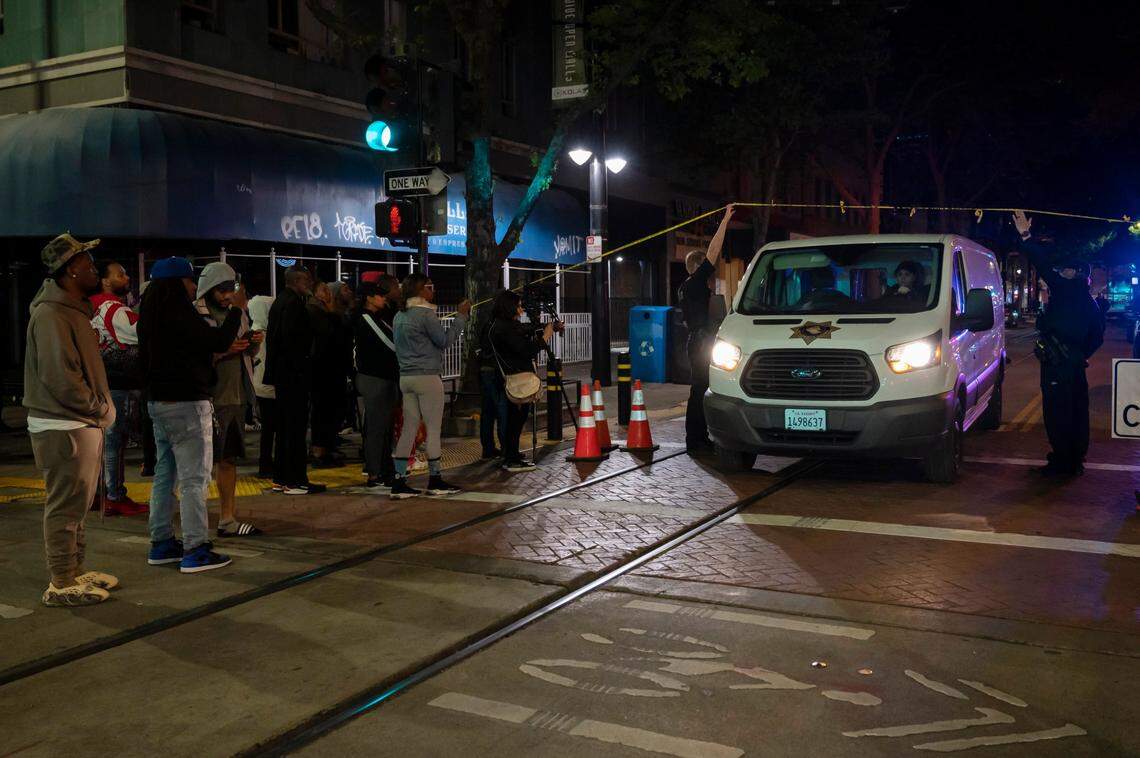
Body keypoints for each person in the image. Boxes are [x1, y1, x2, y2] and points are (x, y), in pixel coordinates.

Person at [24, 234, 119, 606]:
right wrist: (99, 408)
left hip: (78, 423)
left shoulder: (70, 310)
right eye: (86, 262)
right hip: (64, 425)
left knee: (78, 506)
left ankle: (75, 570)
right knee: (65, 506)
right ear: (68, 270)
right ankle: (61, 581)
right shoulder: (51, 314)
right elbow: (61, 378)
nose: (93, 268)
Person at [139, 256, 242, 573]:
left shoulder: (149, 316)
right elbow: (218, 341)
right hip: (186, 404)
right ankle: (196, 548)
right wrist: (237, 310)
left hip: (158, 404)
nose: (194, 286)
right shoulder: (180, 314)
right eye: (189, 281)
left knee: (164, 475)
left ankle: (162, 543)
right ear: (178, 283)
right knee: (195, 479)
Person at [1012, 210, 1104, 476]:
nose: (1060, 272)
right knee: (1077, 409)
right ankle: (1074, 459)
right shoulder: (1090, 302)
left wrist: (1026, 236)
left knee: (1057, 411)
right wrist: (1078, 353)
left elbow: (1041, 262)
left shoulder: (1065, 290)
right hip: (1074, 362)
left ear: (1074, 273)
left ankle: (1062, 462)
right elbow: (1097, 337)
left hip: (1058, 362)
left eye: (1065, 269)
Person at [194, 263, 263, 537]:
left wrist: (251, 343)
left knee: (228, 459)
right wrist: (222, 352)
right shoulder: (196, 314)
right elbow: (193, 354)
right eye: (221, 291)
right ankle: (196, 523)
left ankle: (227, 518)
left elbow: (244, 351)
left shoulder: (238, 314)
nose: (227, 296)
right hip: (205, 397)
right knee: (197, 464)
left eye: (230, 290)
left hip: (234, 396)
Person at [389, 274, 471, 498]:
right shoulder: (426, 314)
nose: (433, 290)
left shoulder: (399, 316)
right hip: (427, 376)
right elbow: (444, 341)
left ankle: (399, 481)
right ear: (420, 290)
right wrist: (461, 317)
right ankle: (435, 480)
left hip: (406, 377)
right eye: (429, 286)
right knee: (434, 429)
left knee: (409, 428)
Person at [90, 259, 148, 516]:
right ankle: (114, 494)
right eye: (120, 274)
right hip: (119, 383)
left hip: (96, 382)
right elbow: (143, 333)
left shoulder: (89, 307)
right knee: (115, 441)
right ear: (105, 280)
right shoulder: (116, 310)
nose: (126, 278)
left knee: (100, 442)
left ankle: (98, 492)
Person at [679, 204, 735, 452]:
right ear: (700, 268)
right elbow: (714, 251)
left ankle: (698, 438)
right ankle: (697, 440)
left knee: (699, 389)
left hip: (696, 339)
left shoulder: (685, 287)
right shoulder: (696, 283)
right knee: (701, 389)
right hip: (702, 341)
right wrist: (725, 220)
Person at [265, 266, 326, 495]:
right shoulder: (295, 304)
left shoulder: (280, 302)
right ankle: (296, 479)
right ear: (299, 281)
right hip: (294, 375)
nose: (310, 284)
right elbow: (295, 341)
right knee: (295, 428)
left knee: (283, 428)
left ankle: (281, 478)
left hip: (282, 375)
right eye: (308, 280)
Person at [488, 290, 554, 471]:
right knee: (515, 419)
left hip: (512, 377)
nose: (521, 309)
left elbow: (522, 332)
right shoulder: (504, 328)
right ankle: (511, 457)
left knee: (515, 418)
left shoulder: (502, 325)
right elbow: (526, 350)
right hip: (515, 378)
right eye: (518, 305)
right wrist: (545, 337)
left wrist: (544, 328)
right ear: (509, 307)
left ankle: (513, 454)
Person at [354, 277, 400, 488]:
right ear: (369, 298)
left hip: (382, 377)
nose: (384, 298)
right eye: (380, 295)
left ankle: (381, 468)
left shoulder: (376, 317)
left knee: (383, 427)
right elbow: (390, 343)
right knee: (376, 427)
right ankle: (374, 472)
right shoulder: (366, 317)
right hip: (375, 378)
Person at [307, 280, 347, 466]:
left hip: (328, 369)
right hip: (322, 370)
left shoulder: (324, 311)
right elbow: (329, 336)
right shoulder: (316, 312)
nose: (328, 293)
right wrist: (332, 313)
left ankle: (326, 447)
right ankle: (319, 451)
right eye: (324, 289)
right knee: (323, 411)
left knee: (329, 411)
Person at [248, 294, 277, 479]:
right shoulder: (264, 334)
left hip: (258, 386)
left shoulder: (253, 331)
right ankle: (266, 464)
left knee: (268, 429)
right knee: (271, 429)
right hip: (268, 388)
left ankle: (265, 463)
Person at [477, 308, 510, 461]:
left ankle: (488, 448)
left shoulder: (487, 324)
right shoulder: (500, 326)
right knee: (502, 410)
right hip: (496, 371)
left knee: (488, 411)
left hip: (485, 370)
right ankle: (506, 449)